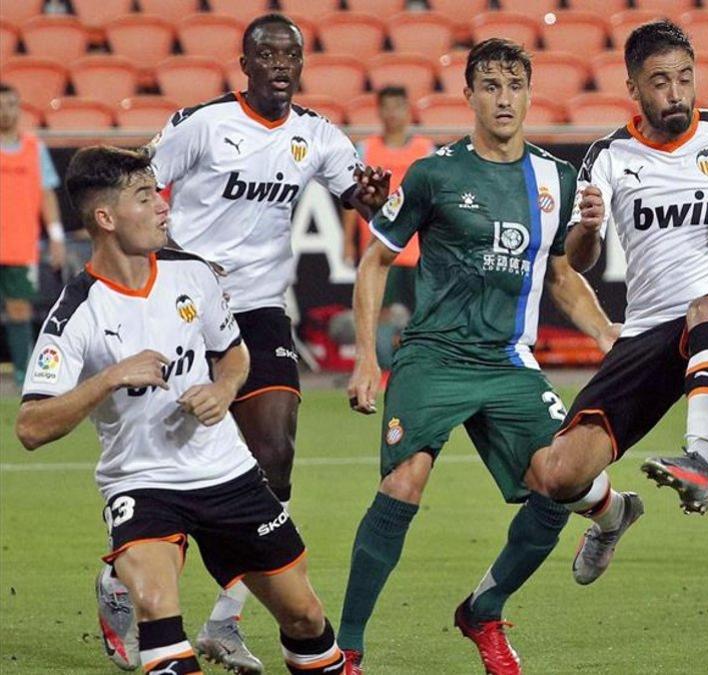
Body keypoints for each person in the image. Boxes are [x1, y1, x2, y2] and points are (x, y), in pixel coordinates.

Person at [103, 12, 385, 672]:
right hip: (185, 307)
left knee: (276, 448)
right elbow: (139, 185)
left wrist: (372, 197)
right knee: (164, 462)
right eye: (270, 54)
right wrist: (165, 256)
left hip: (258, 310)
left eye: (294, 54)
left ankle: (225, 620)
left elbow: (361, 194)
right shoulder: (203, 124)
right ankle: (119, 582)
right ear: (246, 65)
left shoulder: (316, 134)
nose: (283, 64)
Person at [341, 39, 620, 675]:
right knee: (403, 481)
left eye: (514, 85)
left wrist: (604, 328)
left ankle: (485, 610)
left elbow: (564, 273)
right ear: (468, 96)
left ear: (529, 93)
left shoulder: (557, 177)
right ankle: (347, 649)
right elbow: (375, 260)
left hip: (506, 360)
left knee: (562, 479)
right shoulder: (434, 173)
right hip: (434, 355)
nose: (503, 98)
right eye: (489, 86)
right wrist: (364, 358)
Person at [15, 146, 350, 675]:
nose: (164, 206)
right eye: (146, 197)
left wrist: (222, 389)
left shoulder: (193, 273)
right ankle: (125, 583)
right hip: (142, 482)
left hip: (227, 474)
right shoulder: (75, 313)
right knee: (156, 604)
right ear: (105, 217)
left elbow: (233, 352)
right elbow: (30, 427)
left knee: (305, 616)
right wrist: (108, 378)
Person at [515, 19, 708, 589]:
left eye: (686, 78)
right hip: (648, 332)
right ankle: (612, 514)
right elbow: (580, 259)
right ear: (633, 88)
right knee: (557, 475)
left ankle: (700, 459)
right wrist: (586, 226)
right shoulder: (608, 155)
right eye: (661, 82)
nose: (677, 93)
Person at [340, 85, 435, 345]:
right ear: (379, 111)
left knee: (421, 313)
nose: (393, 113)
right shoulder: (365, 149)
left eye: (398, 106)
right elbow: (353, 198)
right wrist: (347, 242)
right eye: (387, 107)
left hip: (417, 249)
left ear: (408, 111)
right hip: (378, 245)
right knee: (378, 311)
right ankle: (379, 362)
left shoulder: (425, 150)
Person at [0, 82, 66, 387]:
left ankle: (23, 373)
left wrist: (56, 236)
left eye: (11, 104)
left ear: (19, 108)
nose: (5, 111)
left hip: (19, 243)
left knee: (19, 308)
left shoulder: (33, 148)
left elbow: (47, 194)